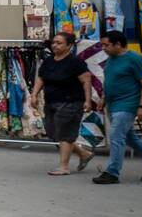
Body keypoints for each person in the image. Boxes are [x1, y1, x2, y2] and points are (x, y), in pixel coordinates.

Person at [92, 30, 142, 184]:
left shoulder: (134, 59)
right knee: (131, 138)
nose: (103, 48)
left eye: (106, 45)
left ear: (118, 44)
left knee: (116, 137)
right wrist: (103, 98)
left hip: (127, 105)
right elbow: (110, 81)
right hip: (113, 105)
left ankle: (112, 172)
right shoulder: (111, 59)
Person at [31, 31, 94, 175]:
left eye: (59, 43)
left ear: (69, 45)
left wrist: (88, 100)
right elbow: (41, 79)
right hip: (51, 102)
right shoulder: (49, 61)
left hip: (71, 102)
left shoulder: (75, 62)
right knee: (53, 133)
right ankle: (84, 154)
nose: (54, 45)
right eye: (53, 42)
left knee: (65, 134)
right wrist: (34, 95)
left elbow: (86, 81)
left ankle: (63, 167)